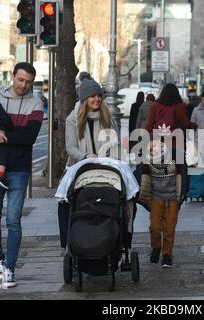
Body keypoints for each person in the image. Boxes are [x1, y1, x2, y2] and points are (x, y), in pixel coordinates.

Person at [0, 62, 43, 288]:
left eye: (28, 81)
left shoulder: (36, 102)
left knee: (13, 220)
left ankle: (10, 268)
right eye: (20, 80)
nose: (23, 85)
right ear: (13, 76)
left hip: (19, 168)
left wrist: (0, 134)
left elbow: (29, 136)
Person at [57, 74, 119, 249]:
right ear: (85, 99)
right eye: (93, 96)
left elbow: (114, 145)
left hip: (105, 168)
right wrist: (85, 157)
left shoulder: (107, 117)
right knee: (65, 202)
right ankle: (68, 240)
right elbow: (71, 148)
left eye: (99, 95)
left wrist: (112, 159)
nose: (97, 99)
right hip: (79, 167)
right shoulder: (73, 119)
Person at [138, 139, 185, 268]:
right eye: (150, 147)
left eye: (155, 146)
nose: (152, 149)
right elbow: (141, 179)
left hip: (172, 198)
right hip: (156, 198)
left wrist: (182, 194)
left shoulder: (174, 157)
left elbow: (183, 175)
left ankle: (167, 256)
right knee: (154, 228)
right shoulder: (146, 161)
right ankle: (156, 247)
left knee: (169, 229)